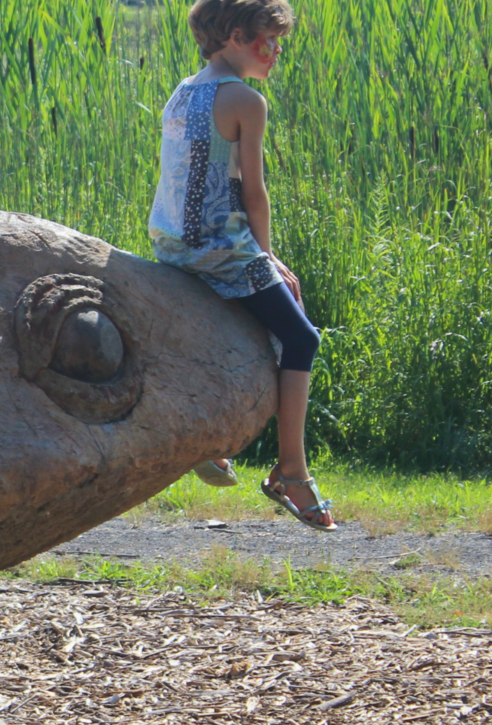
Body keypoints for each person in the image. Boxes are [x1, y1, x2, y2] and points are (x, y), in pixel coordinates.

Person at [148, 0, 335, 531]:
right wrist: (268, 259)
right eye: (268, 41)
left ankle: (212, 442)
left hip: (170, 243)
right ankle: (291, 472)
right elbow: (254, 193)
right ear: (234, 35)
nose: (276, 52)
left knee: (238, 326)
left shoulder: (182, 92)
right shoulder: (245, 101)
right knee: (301, 339)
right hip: (220, 247)